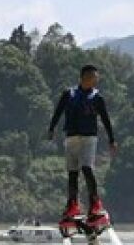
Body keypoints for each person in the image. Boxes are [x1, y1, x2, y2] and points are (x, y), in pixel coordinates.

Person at [46, 64, 118, 231]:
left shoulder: (97, 97)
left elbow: (106, 119)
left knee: (86, 168)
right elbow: (58, 111)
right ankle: (72, 205)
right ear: (85, 77)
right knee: (72, 173)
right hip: (71, 137)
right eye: (94, 77)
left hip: (89, 137)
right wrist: (52, 128)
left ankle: (95, 204)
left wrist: (111, 139)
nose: (96, 80)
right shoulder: (69, 94)